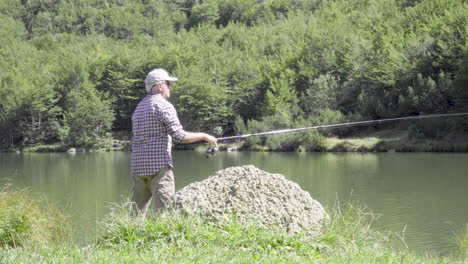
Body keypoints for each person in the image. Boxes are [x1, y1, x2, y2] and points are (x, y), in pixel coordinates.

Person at [131, 68, 218, 218]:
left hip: (138, 167)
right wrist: (205, 136)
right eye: (168, 83)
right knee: (165, 214)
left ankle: (131, 239)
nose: (170, 87)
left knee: (136, 215)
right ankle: (163, 240)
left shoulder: (139, 108)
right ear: (159, 86)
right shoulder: (163, 105)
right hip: (158, 167)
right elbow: (179, 136)